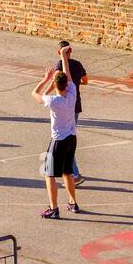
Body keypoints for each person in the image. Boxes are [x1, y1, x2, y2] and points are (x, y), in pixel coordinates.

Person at [33, 46, 79, 218]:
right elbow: (68, 74)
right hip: (72, 138)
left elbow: (35, 94)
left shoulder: (52, 100)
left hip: (58, 141)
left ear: (55, 84)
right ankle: (73, 203)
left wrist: (46, 80)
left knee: (49, 174)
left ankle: (53, 208)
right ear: (66, 83)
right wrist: (63, 56)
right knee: (67, 172)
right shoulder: (72, 93)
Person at [58, 39, 88, 185]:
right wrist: (77, 84)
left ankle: (74, 174)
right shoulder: (78, 64)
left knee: (65, 141)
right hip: (76, 105)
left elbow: (58, 82)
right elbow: (86, 80)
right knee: (69, 138)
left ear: (60, 52)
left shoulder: (59, 65)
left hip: (65, 107)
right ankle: (71, 172)